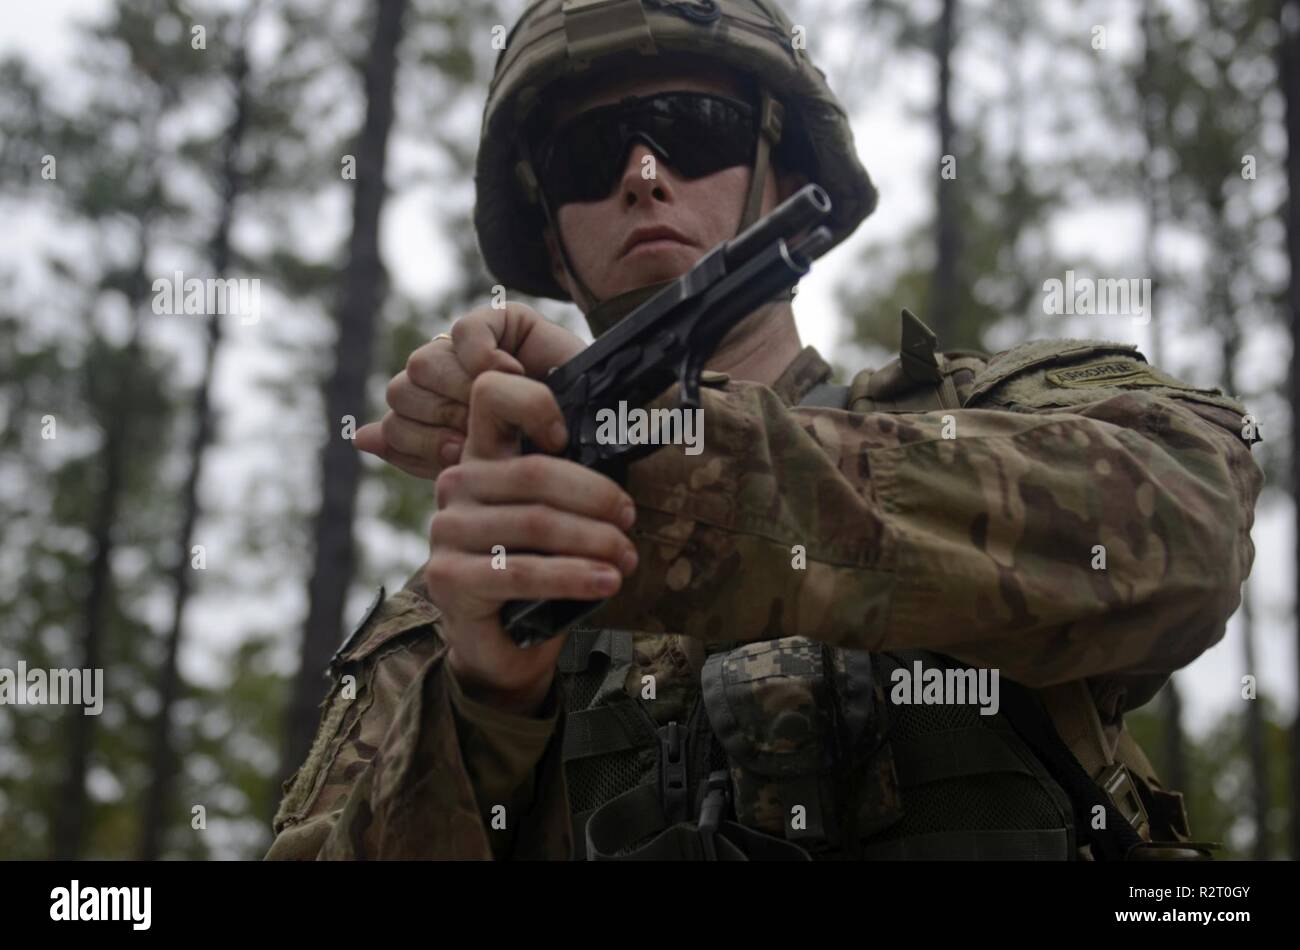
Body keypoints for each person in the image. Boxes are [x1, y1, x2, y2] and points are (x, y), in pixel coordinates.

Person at [266, 0, 1262, 861]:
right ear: (550, 243)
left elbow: (1189, 529)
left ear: (784, 177)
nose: (644, 174)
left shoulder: (992, 421)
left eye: (691, 129)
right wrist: (483, 708)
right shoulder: (460, 608)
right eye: (588, 153)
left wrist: (653, 461)